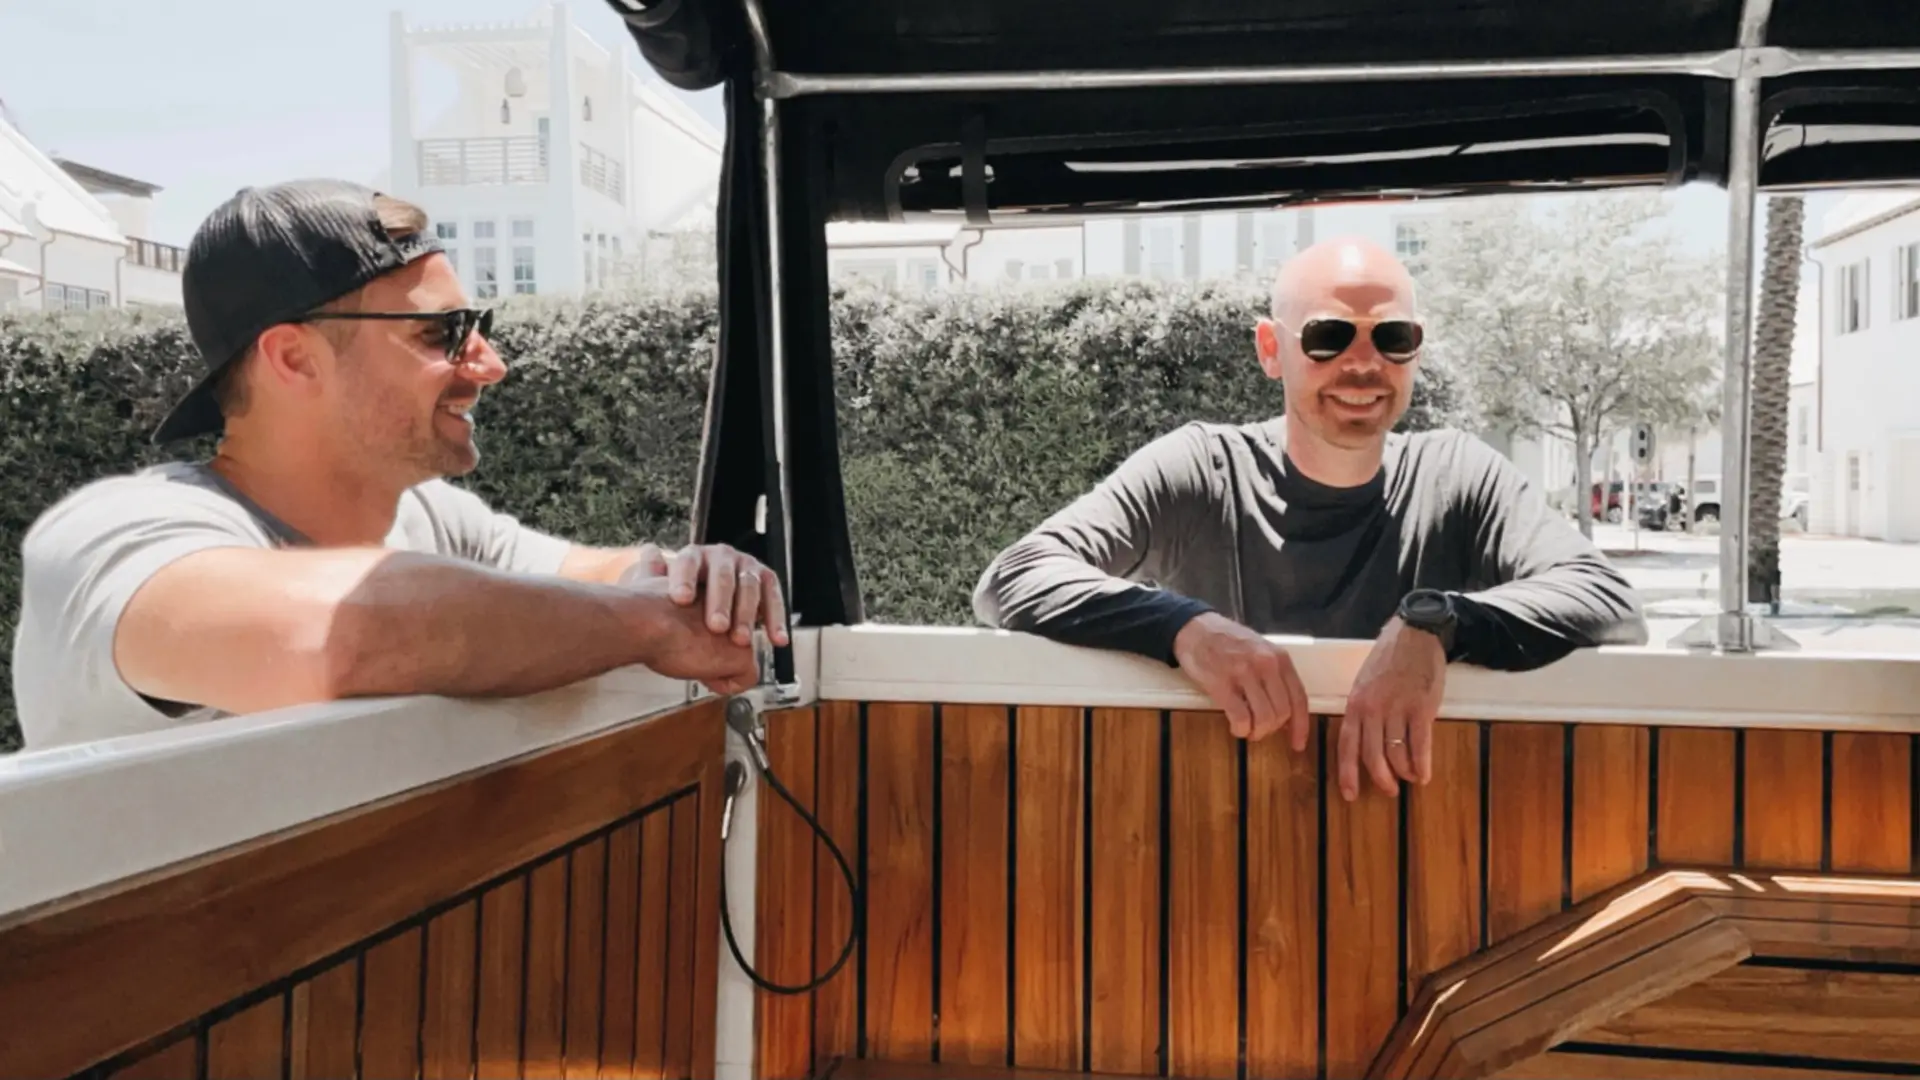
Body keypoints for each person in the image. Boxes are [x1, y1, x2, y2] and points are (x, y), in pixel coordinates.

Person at [12, 179, 784, 750]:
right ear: (294, 359)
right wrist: (649, 624)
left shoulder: (427, 519)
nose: (491, 365)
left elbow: (596, 577)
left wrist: (692, 581)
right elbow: (342, 634)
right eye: (441, 334)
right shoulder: (117, 535)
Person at [973, 236, 1646, 801]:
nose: (1363, 363)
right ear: (1271, 349)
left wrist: (1436, 624)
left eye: (1392, 337)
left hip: (1416, 835)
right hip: (1205, 824)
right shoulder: (1201, 469)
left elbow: (1604, 596)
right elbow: (1016, 577)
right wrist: (1184, 630)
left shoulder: (1457, 475)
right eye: (1328, 337)